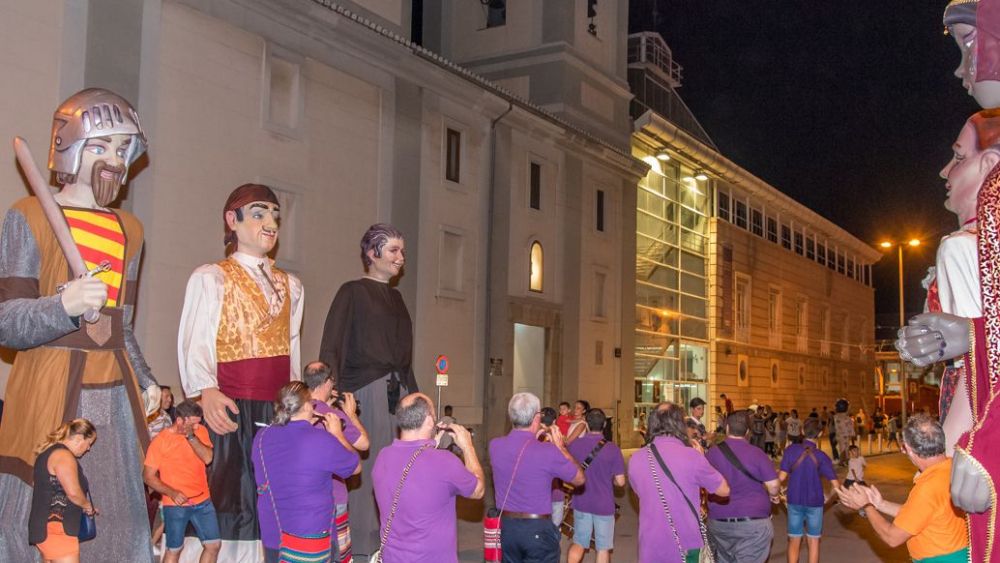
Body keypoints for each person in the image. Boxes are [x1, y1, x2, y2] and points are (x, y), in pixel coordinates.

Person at [0, 88, 157, 563]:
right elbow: (7, 322)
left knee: (122, 520)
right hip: (50, 389)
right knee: (43, 518)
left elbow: (121, 326)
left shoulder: (131, 230)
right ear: (69, 147)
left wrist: (145, 378)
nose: (114, 160)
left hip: (116, 395)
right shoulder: (29, 216)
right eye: (101, 146)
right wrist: (62, 306)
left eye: (122, 148)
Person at [178, 183, 304, 561]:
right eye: (259, 213)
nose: (271, 223)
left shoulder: (292, 286)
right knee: (228, 491)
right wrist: (205, 389)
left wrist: (298, 403)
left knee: (274, 491)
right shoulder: (212, 277)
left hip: (276, 411)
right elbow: (196, 338)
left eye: (275, 215)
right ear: (232, 220)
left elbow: (292, 345)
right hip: (231, 406)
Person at [318, 223, 415, 557]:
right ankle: (360, 545)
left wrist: (415, 398)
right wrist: (328, 393)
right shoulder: (352, 292)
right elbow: (333, 344)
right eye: (393, 250)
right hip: (364, 392)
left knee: (397, 467)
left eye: (402, 251)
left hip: (397, 393)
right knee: (368, 466)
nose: (401, 258)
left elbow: (406, 359)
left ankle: (391, 541)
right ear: (373, 254)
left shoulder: (398, 298)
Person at [252, 382, 361, 563]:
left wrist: (304, 426)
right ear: (307, 406)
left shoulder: (261, 436)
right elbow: (355, 467)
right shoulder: (321, 440)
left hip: (273, 534)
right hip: (310, 537)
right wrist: (337, 434)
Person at [838, 415, 969, 562]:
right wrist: (880, 504)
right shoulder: (953, 468)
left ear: (909, 449)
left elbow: (892, 537)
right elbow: (919, 514)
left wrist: (867, 506)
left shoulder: (928, 488)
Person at [372, 393, 484, 562]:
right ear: (430, 421)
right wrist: (468, 447)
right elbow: (478, 490)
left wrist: (429, 447)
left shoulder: (383, 456)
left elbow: (413, 471)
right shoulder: (445, 462)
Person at [489, 392, 584, 563]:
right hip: (537, 531)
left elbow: (521, 454)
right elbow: (579, 479)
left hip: (506, 528)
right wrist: (561, 448)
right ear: (536, 418)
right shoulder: (548, 451)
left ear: (511, 417)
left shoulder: (495, 445)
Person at [629, 403, 729, 563]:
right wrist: (702, 458)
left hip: (650, 542)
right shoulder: (692, 456)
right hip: (686, 543)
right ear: (679, 424)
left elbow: (640, 494)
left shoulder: (636, 458)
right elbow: (724, 490)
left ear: (652, 423)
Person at [303, 360, 369, 562]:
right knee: (338, 555)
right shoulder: (334, 416)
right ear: (327, 383)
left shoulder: (297, 412)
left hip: (303, 499)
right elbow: (364, 444)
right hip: (334, 497)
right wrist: (351, 414)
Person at [143, 400, 220, 563]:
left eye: (199, 423)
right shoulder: (161, 441)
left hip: (203, 501)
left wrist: (191, 436)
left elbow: (208, 458)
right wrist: (172, 492)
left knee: (213, 545)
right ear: (179, 420)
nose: (197, 426)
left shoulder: (200, 432)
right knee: (174, 549)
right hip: (175, 505)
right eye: (193, 424)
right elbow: (148, 476)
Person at [705, 411, 781, 563]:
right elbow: (773, 485)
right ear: (747, 432)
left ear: (727, 428)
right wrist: (774, 496)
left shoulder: (712, 453)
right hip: (753, 523)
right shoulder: (757, 454)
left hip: (719, 522)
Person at [28, 419, 98, 563]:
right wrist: (87, 506)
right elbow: (73, 493)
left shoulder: (48, 454)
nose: (88, 449)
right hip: (58, 529)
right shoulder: (63, 456)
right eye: (89, 443)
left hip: (47, 529)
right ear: (79, 438)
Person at [566, 409, 625, 563]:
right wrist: (610, 480)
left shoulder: (575, 445)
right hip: (604, 504)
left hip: (581, 502)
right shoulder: (613, 449)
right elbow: (620, 482)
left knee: (579, 542)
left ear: (586, 424)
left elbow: (568, 472)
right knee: (603, 548)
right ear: (604, 424)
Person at [778, 418, 840, 563]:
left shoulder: (790, 451)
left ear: (802, 431)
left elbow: (781, 478)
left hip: (794, 500)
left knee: (794, 540)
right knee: (814, 541)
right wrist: (828, 499)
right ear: (820, 434)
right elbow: (836, 486)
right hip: (815, 503)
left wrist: (778, 494)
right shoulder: (822, 457)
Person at [832, 399, 854, 467]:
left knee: (842, 448)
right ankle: (843, 461)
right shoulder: (847, 418)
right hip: (846, 435)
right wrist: (852, 434)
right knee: (845, 448)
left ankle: (843, 461)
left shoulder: (836, 417)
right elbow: (850, 427)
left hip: (839, 435)